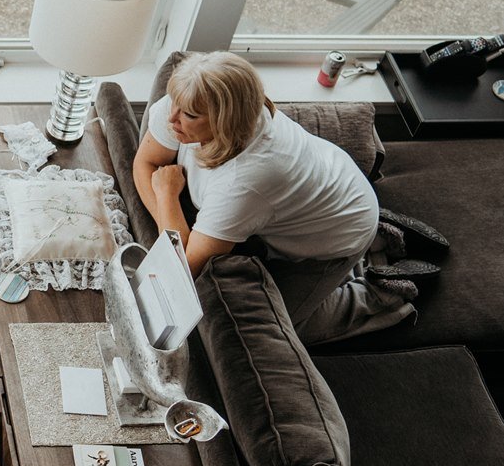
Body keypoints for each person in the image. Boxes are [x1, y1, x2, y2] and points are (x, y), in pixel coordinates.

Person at [132, 51, 383, 344]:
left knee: (288, 330)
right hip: (313, 184)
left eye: (189, 115)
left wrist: (166, 196)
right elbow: (144, 164)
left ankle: (383, 295)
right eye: (175, 103)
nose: (171, 118)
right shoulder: (185, 102)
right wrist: (168, 214)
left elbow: (182, 270)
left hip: (340, 230)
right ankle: (381, 244)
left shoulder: (245, 182)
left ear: (227, 121)